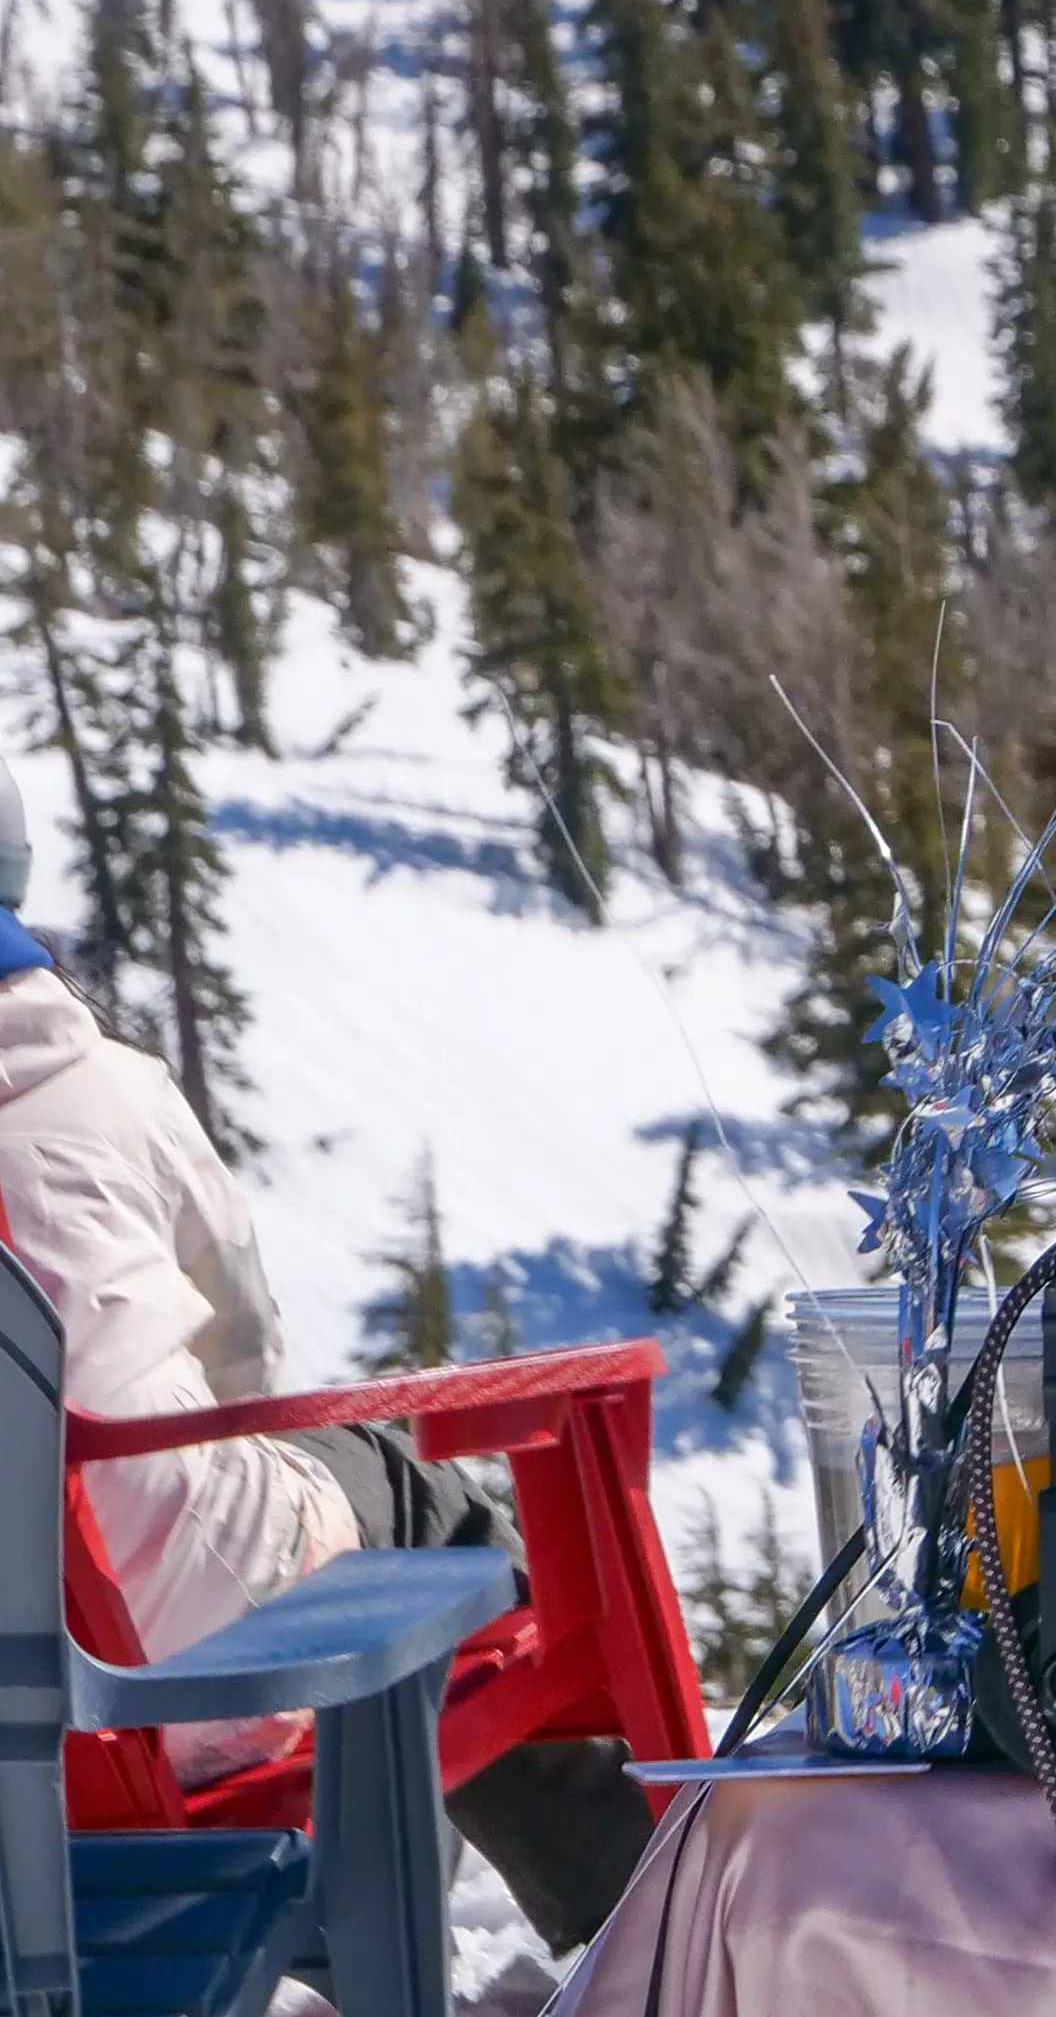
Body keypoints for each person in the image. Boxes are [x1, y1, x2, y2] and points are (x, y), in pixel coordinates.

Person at [0, 756, 653, 1945]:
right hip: (193, 1674)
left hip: (21, 1746)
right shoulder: (112, 1091)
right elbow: (246, 1362)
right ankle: (624, 1903)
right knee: (414, 1497)